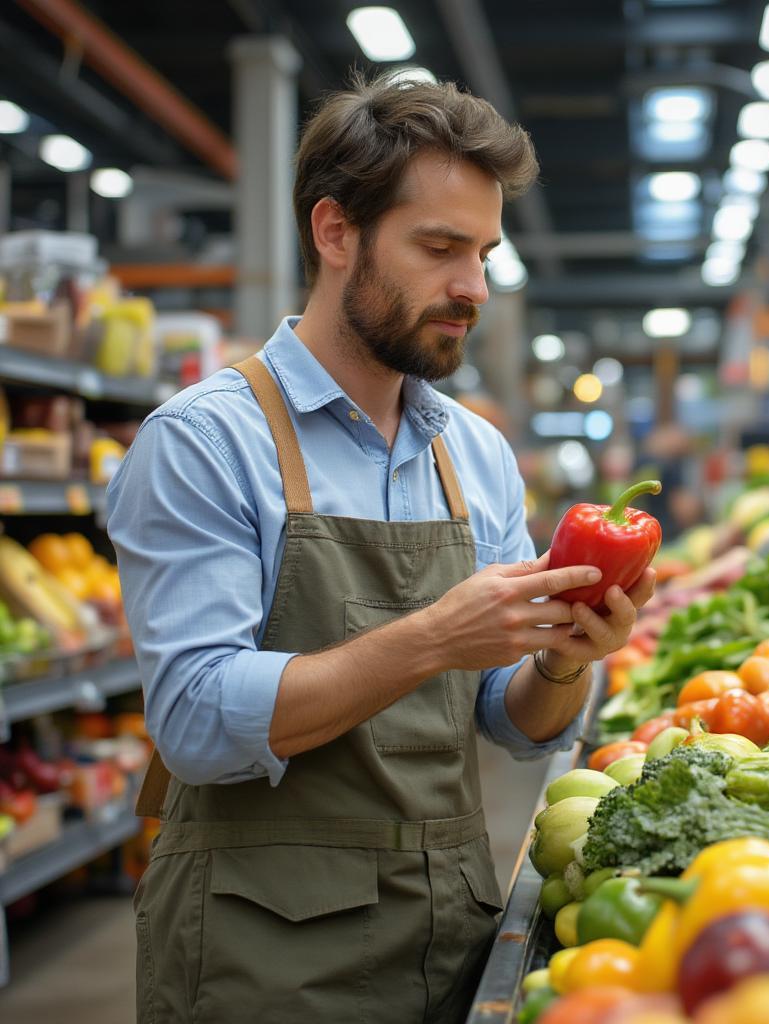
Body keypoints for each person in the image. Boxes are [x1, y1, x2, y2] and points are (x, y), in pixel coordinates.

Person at [107, 71, 655, 1024]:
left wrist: (565, 666)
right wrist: (434, 636)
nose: (472, 288)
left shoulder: (473, 453)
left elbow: (504, 720)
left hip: (447, 936)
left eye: (484, 252)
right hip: (262, 967)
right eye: (440, 248)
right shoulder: (203, 442)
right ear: (335, 233)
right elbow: (195, 723)